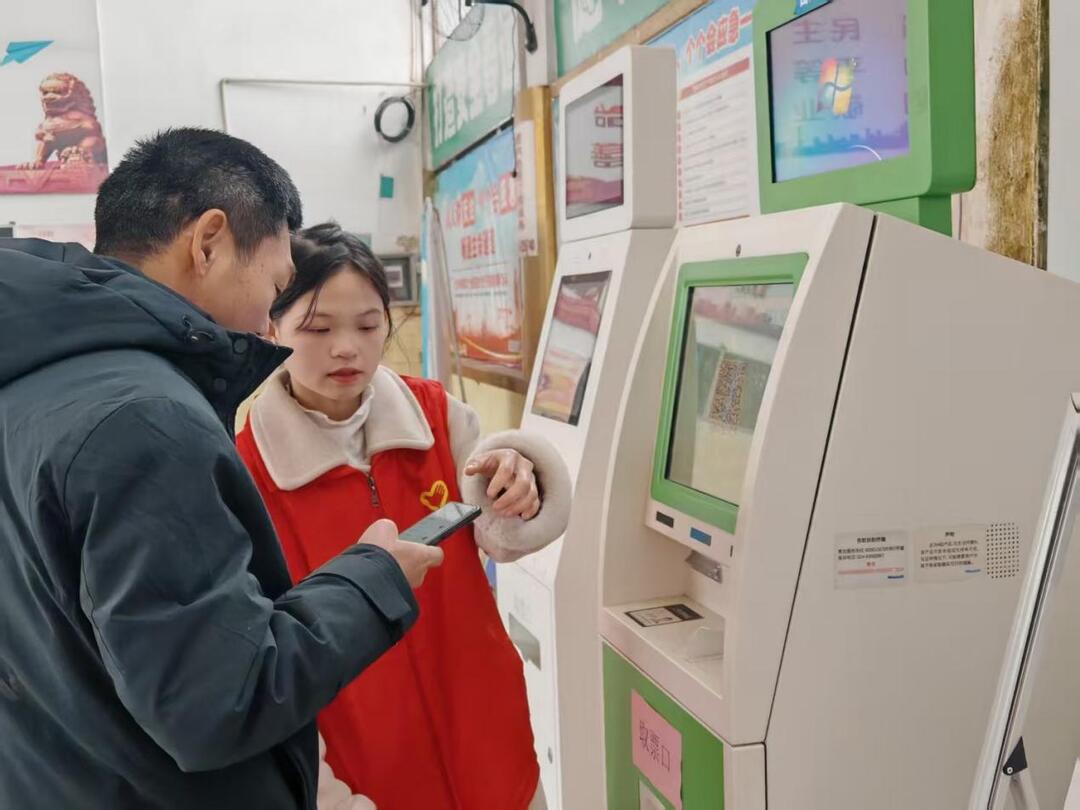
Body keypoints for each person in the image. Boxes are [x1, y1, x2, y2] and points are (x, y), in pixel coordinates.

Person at [0, 128, 443, 810]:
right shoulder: (145, 421)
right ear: (208, 243)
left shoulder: (33, 381)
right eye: (276, 289)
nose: (268, 326)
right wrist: (373, 582)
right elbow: (217, 701)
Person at [236, 223, 572, 810]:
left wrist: (521, 483)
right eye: (318, 329)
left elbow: (503, 537)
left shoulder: (437, 416)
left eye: (368, 326)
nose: (347, 348)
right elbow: (265, 671)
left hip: (492, 749)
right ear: (272, 328)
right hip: (368, 777)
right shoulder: (247, 475)